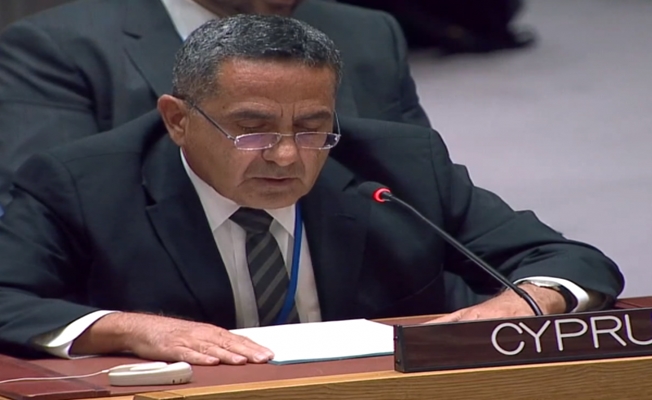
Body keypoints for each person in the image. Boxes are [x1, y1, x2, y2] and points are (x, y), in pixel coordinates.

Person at [0, 15, 623, 365]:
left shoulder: (398, 165)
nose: (285, 155)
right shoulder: (84, 182)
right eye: (251, 129)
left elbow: (571, 261)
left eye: (311, 128)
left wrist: (524, 303)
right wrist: (125, 328)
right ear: (178, 120)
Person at [0, 0, 429, 208]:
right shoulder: (58, 48)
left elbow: (424, 193)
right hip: (163, 319)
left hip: (348, 316)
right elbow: (41, 217)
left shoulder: (369, 34)